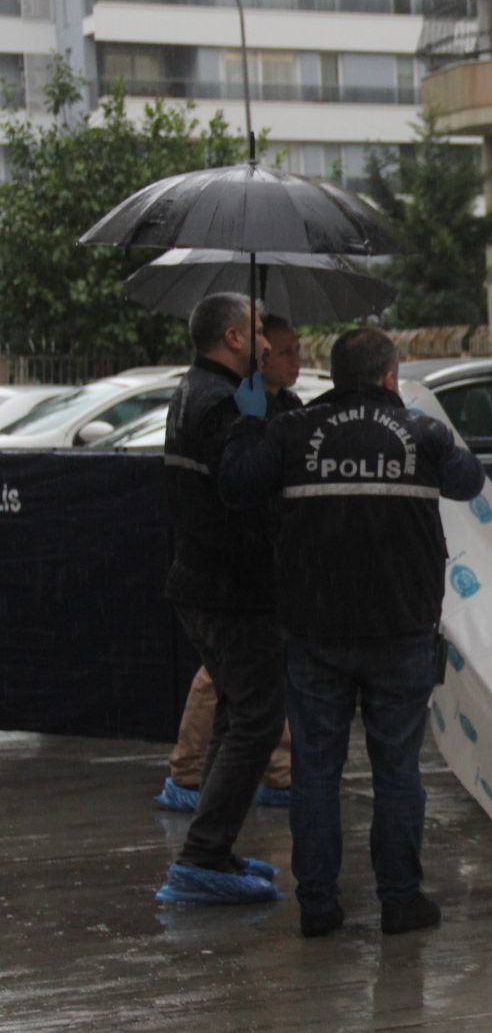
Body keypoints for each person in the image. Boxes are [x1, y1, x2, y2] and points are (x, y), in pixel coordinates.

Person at [219, 327, 486, 938]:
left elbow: (235, 486)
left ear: (335, 376)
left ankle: (318, 906)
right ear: (390, 377)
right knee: (398, 771)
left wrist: (249, 421)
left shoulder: (291, 432)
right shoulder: (423, 433)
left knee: (316, 771)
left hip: (316, 629)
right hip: (402, 629)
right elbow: (468, 483)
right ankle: (399, 901)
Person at [155, 293, 284, 904]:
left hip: (201, 582)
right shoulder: (224, 403)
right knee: (257, 717)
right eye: (258, 331)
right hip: (230, 589)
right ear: (233, 338)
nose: (266, 343)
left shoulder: (189, 391)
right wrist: (256, 423)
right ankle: (203, 855)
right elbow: (240, 488)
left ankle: (212, 848)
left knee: (237, 715)